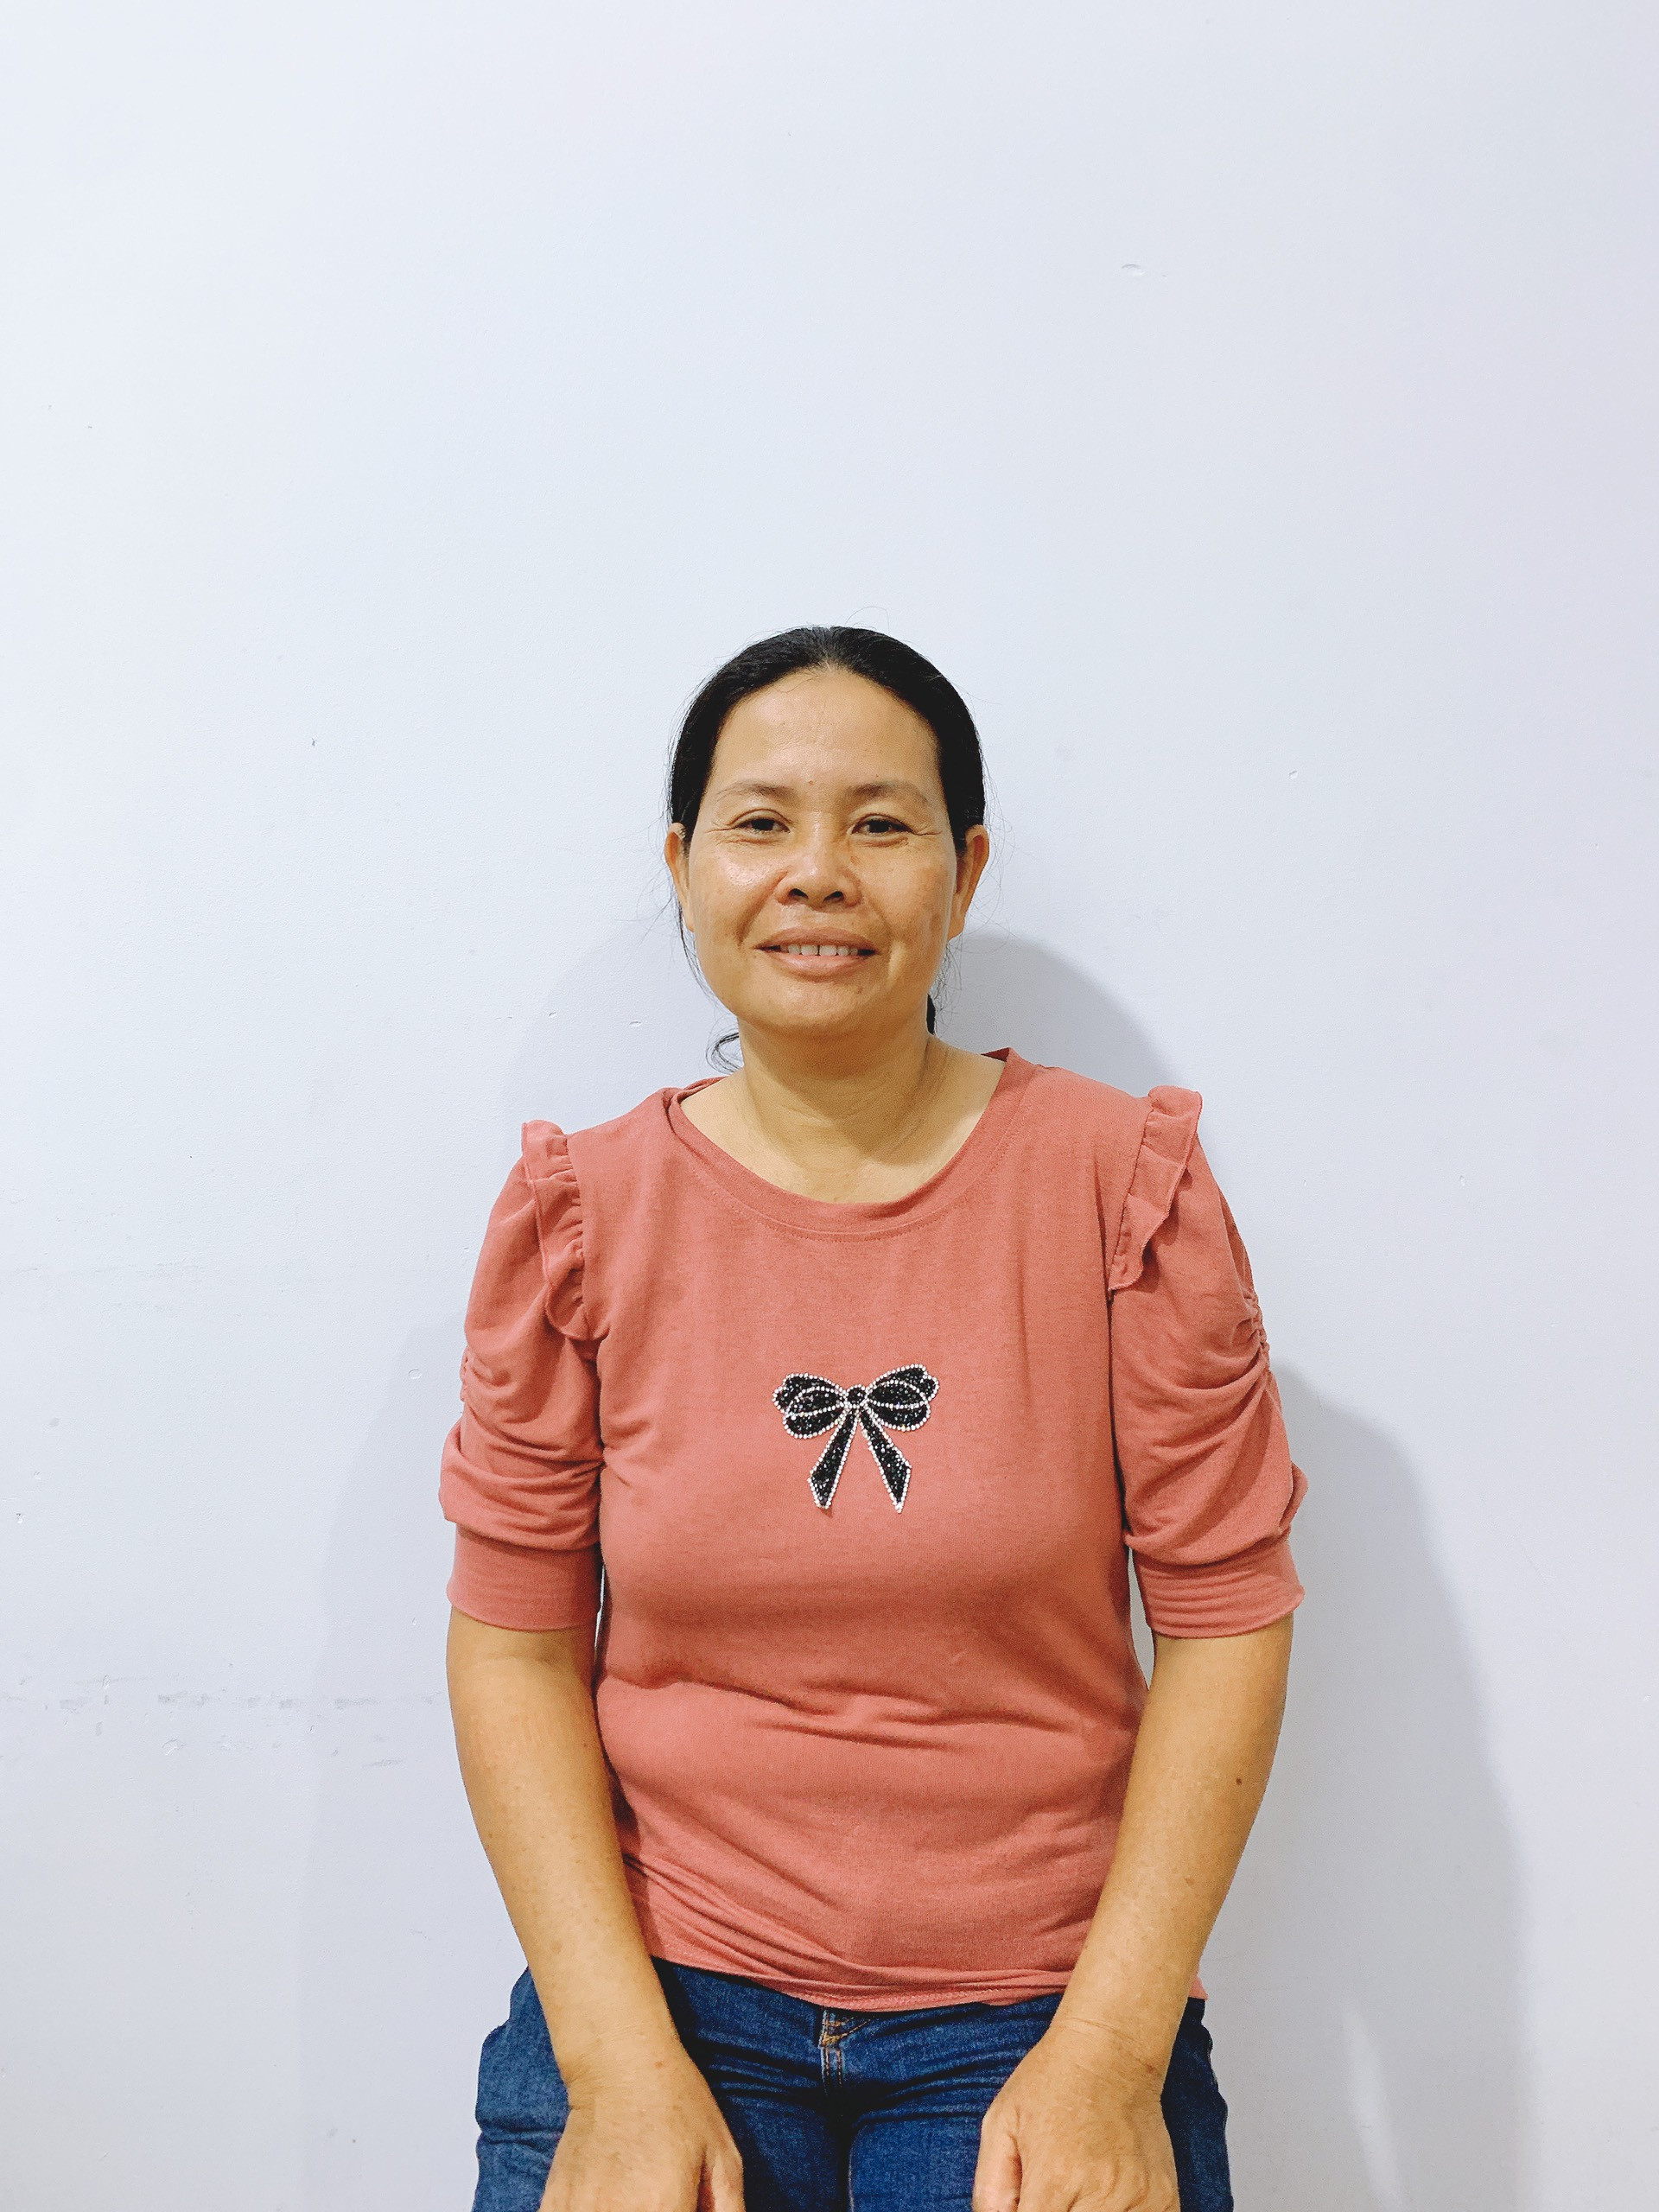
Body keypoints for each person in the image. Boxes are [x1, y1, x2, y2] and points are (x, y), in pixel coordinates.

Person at [441, 626, 1306, 2212]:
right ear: (684, 867)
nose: (818, 874)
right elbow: (513, 1650)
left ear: (962, 875)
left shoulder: (1123, 1189)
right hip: (665, 1990)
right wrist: (617, 2071)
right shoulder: (581, 1213)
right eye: (761, 822)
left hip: (1044, 2006)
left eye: (883, 823)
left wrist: (1110, 2059)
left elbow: (1228, 1620)